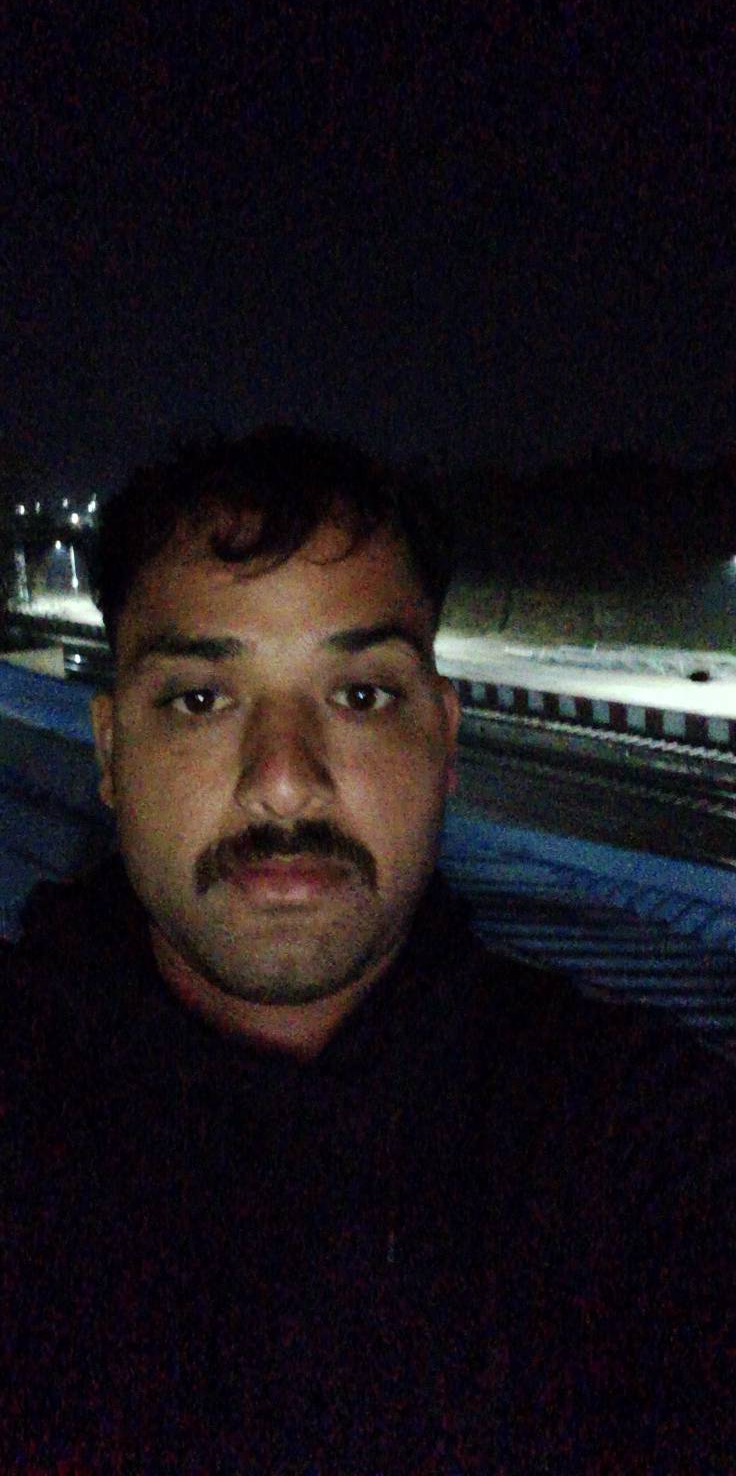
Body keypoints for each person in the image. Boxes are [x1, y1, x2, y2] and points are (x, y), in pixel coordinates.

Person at [1, 425, 734, 1474]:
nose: (284, 782)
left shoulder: (641, 1139)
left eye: (359, 696)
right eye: (201, 700)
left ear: (443, 739)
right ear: (112, 752)